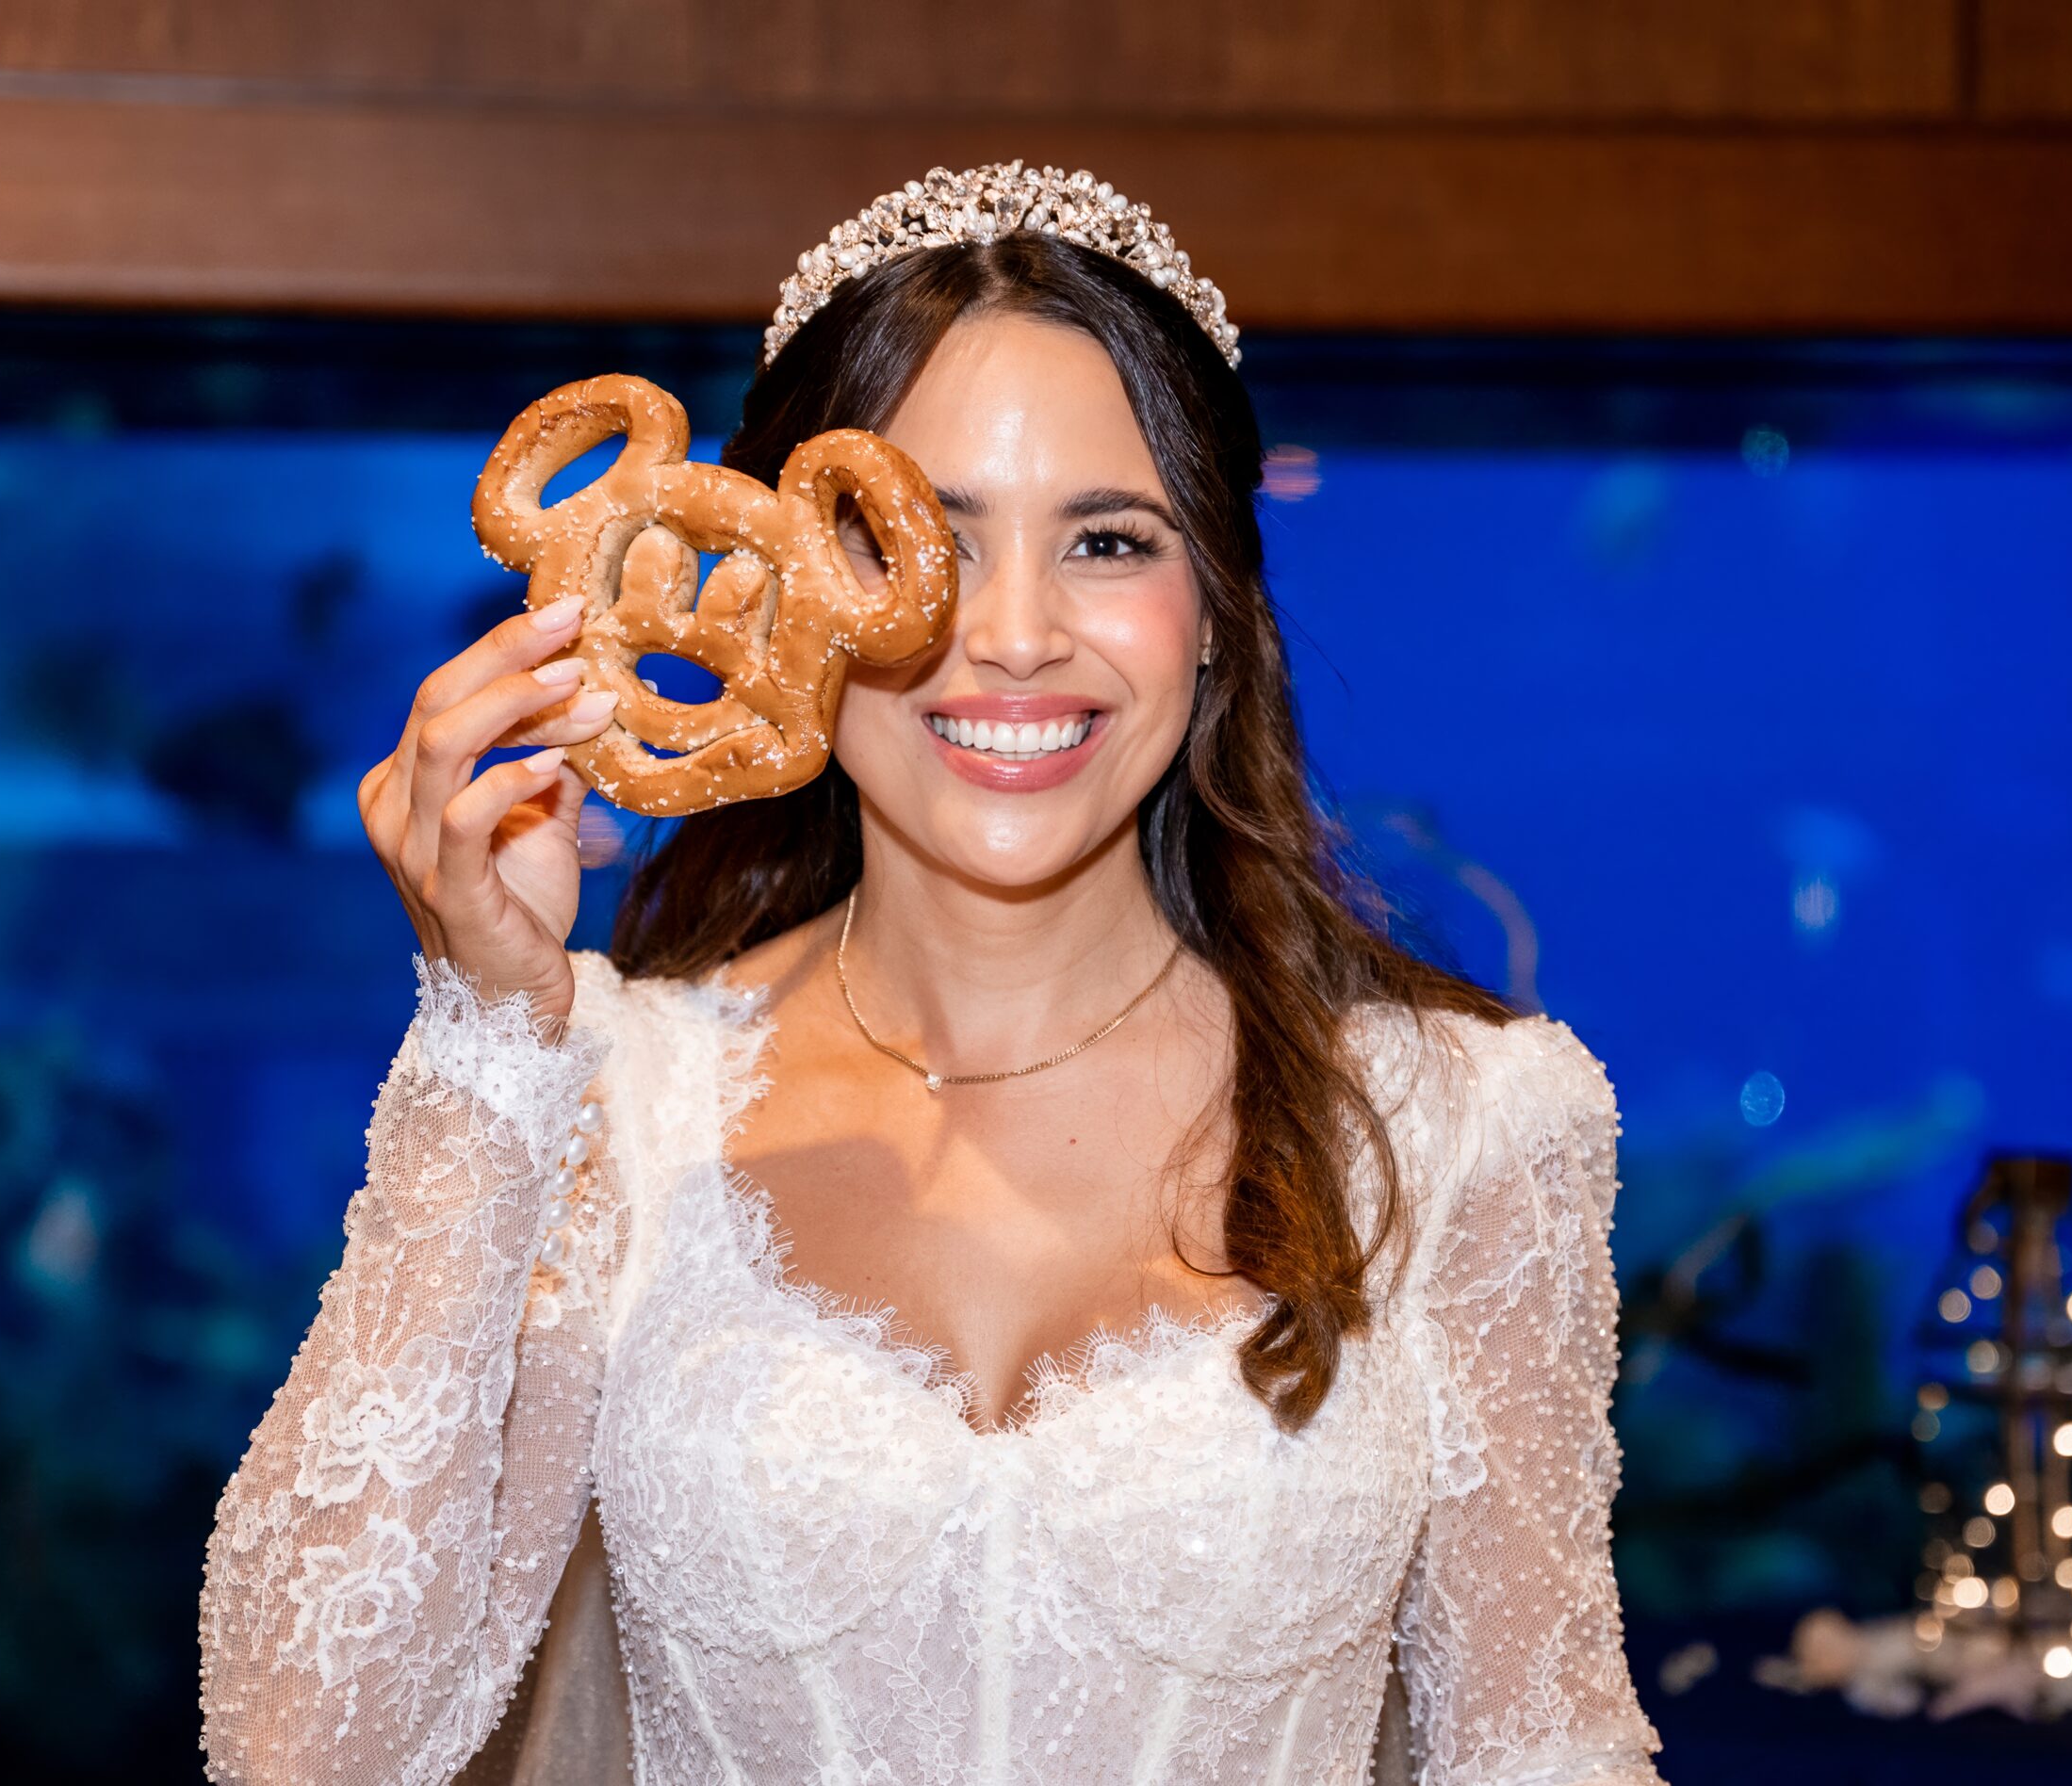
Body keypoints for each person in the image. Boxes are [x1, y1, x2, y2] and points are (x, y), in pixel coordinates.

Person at [197, 162, 1666, 1786]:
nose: (1017, 634)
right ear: (760, 605)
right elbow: (305, 1744)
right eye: (930, 545)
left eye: (1108, 541)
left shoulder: (1461, 1131)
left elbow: (1548, 1747)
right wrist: (487, 1027)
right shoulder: (601, 1101)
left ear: (1217, 619)